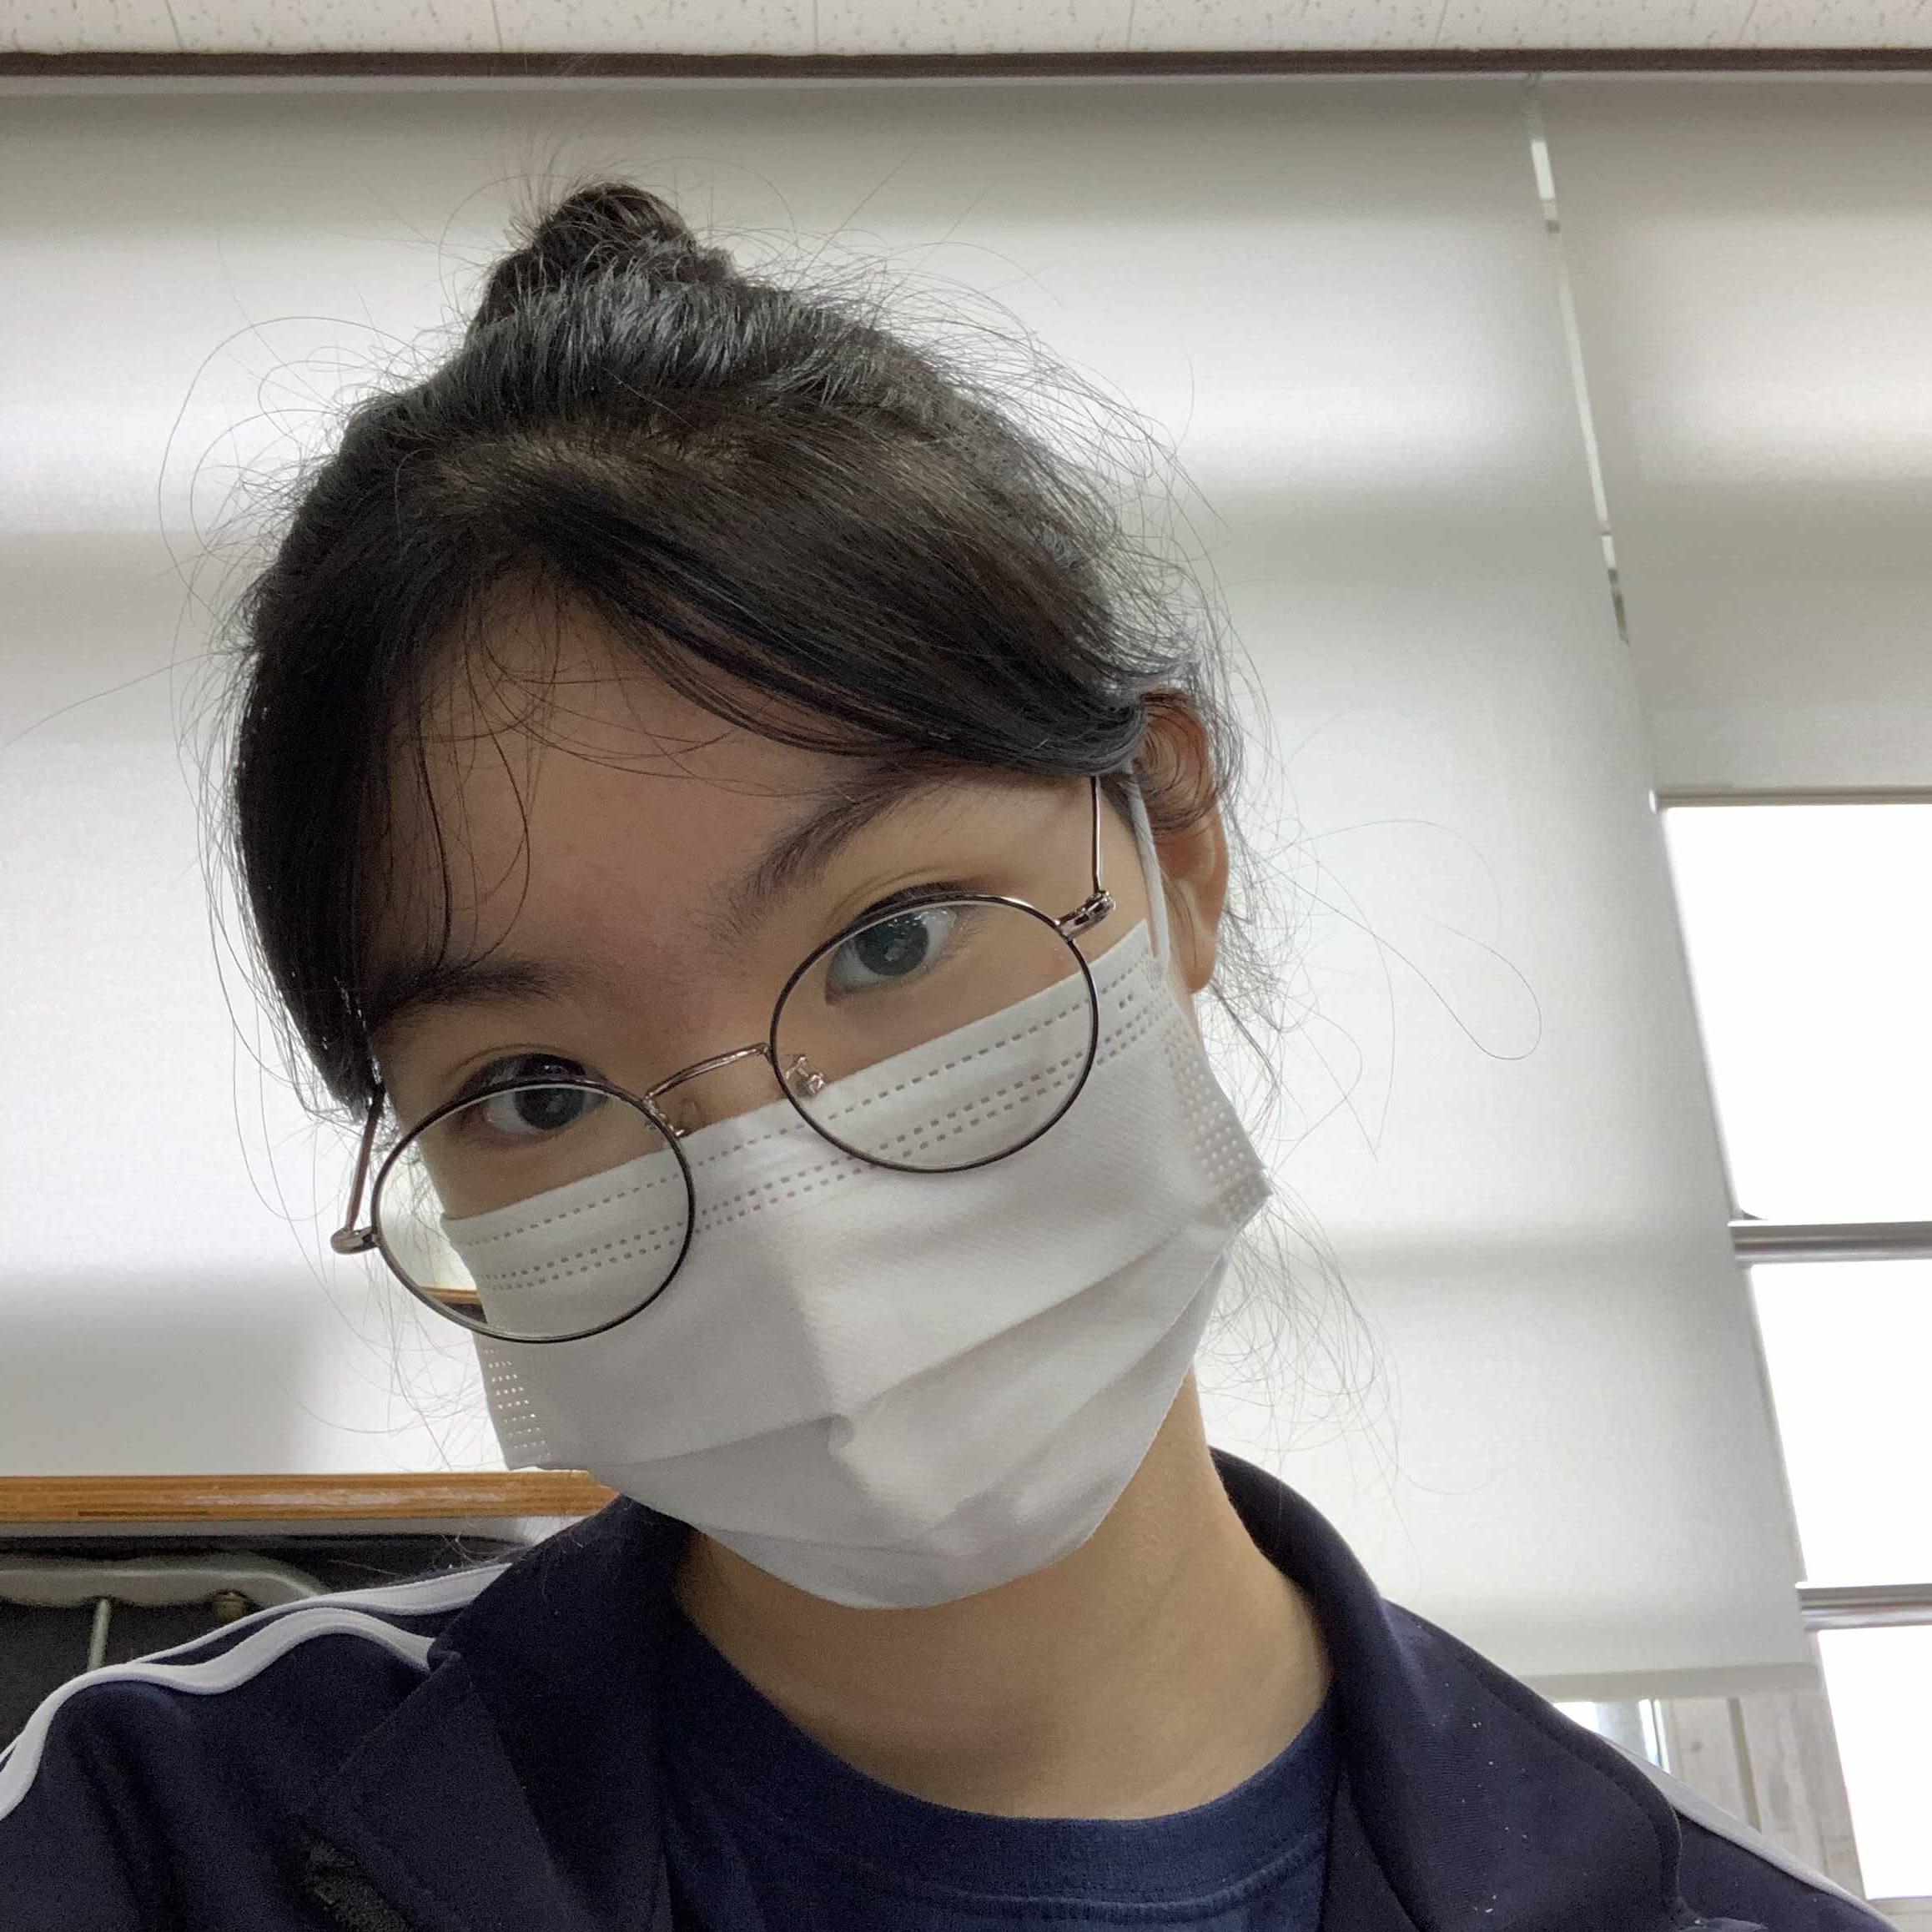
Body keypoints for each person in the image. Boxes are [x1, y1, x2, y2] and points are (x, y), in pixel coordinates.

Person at [0, 183, 1885, 1932]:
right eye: (538, 1090)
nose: (785, 1228)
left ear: (1175, 845)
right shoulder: (146, 1839)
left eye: (889, 940)